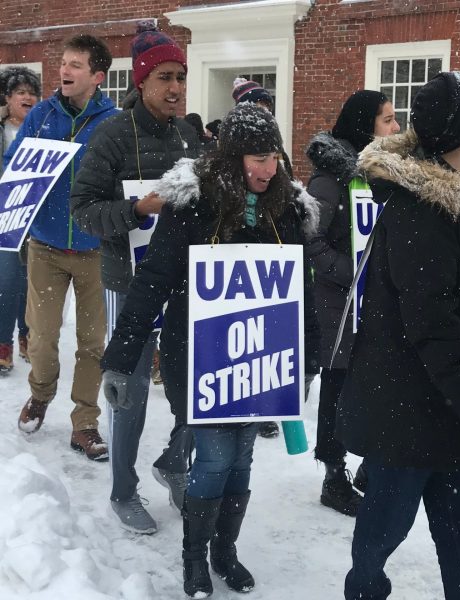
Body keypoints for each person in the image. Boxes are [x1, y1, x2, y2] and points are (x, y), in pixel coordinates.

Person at [100, 103, 321, 597]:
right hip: (198, 355)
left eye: (274, 156)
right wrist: (119, 358)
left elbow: (302, 292)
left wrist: (307, 360)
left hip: (261, 357)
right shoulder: (192, 205)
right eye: (257, 157)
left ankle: (225, 550)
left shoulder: (289, 209)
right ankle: (195, 558)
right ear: (233, 157)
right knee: (216, 456)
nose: (268, 168)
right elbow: (153, 281)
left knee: (242, 457)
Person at [336, 71, 460, 600]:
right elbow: (432, 326)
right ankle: (364, 589)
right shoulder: (422, 212)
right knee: (383, 529)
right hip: (407, 409)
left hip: (447, 410)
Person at [71, 24, 202, 534]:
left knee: (195, 383)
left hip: (184, 281)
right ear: (142, 81)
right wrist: (134, 210)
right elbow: (83, 210)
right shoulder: (111, 134)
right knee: (129, 387)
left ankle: (173, 461)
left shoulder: (188, 134)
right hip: (127, 282)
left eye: (181, 78)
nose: (175, 88)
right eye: (165, 77)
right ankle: (124, 489)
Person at [6, 34, 118, 460]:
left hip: (96, 251)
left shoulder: (112, 122)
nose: (65, 71)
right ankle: (40, 393)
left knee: (92, 343)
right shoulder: (42, 115)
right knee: (41, 337)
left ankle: (85, 422)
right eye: (63, 63)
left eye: (75, 65)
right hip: (46, 247)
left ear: (96, 76)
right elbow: (16, 168)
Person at [305, 89, 399, 516]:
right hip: (338, 304)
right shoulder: (329, 179)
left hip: (374, 300)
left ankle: (368, 464)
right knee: (339, 389)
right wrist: (349, 271)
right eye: (387, 119)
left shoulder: (383, 174)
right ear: (365, 126)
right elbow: (310, 239)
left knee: (377, 384)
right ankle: (333, 474)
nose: (396, 127)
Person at [233, 76, 289, 439]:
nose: (269, 167)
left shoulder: (281, 185)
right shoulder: (206, 196)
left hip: (268, 285)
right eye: (254, 106)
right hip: (228, 292)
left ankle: (263, 406)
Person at [0, 66, 41, 374]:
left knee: (33, 283)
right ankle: (4, 343)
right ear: (8, 98)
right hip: (5, 217)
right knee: (8, 282)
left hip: (38, 217)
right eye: (21, 92)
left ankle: (27, 335)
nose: (27, 97)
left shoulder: (44, 130)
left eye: (32, 93)